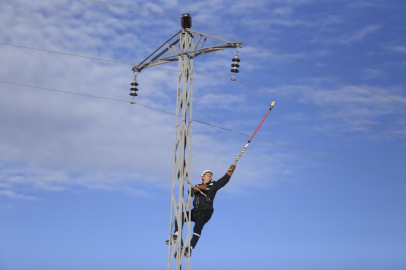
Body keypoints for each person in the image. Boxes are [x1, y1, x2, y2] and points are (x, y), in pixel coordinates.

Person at [166, 164, 236, 257]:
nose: (209, 176)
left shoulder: (213, 185)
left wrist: (230, 171)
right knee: (180, 215)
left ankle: (190, 248)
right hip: (195, 211)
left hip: (205, 212)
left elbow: (224, 180)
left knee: (198, 227)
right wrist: (199, 188)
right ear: (202, 177)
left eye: (210, 175)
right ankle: (176, 235)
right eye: (207, 174)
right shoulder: (197, 186)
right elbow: (190, 192)